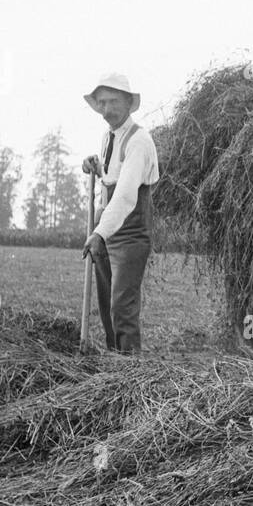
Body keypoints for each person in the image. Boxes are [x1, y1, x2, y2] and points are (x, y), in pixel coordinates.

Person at [80, 73, 160, 354]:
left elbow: (125, 195)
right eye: (101, 103)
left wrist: (99, 233)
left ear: (128, 103)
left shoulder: (139, 141)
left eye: (113, 101)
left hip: (129, 234)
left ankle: (130, 371)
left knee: (121, 307)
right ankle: (113, 364)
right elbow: (111, 178)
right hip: (107, 230)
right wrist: (94, 166)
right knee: (106, 306)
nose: (106, 109)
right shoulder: (109, 137)